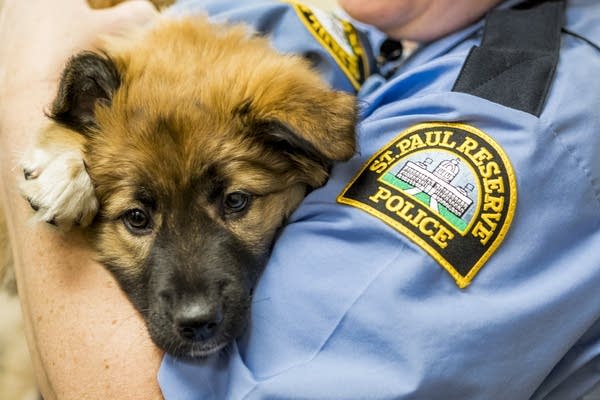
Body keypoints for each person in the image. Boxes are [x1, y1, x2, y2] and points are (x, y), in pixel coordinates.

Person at [1, 0, 599, 399]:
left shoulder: (520, 116)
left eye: (233, 203)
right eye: (139, 217)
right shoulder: (412, 20)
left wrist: (22, 89)